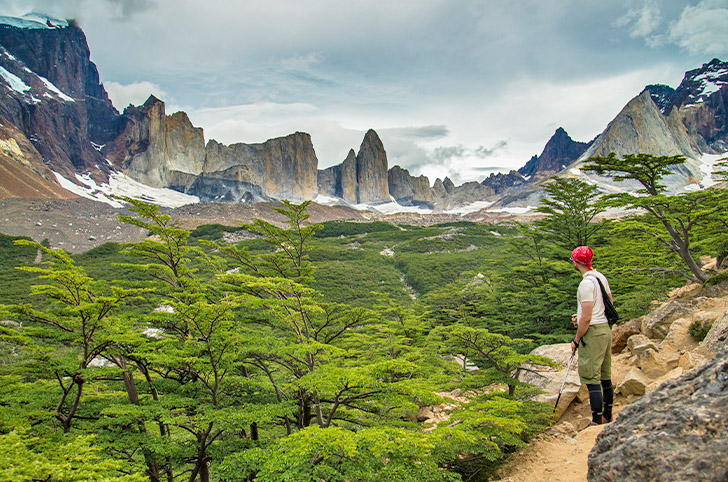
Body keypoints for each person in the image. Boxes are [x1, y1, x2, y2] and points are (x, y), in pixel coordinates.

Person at [570, 246, 614, 425]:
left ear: (576, 262)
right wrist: (580, 317)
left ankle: (596, 420)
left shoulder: (586, 284)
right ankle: (607, 414)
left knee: (591, 376)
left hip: (593, 332)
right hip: (605, 328)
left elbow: (587, 317)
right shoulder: (600, 277)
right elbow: (609, 302)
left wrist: (577, 338)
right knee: (605, 374)